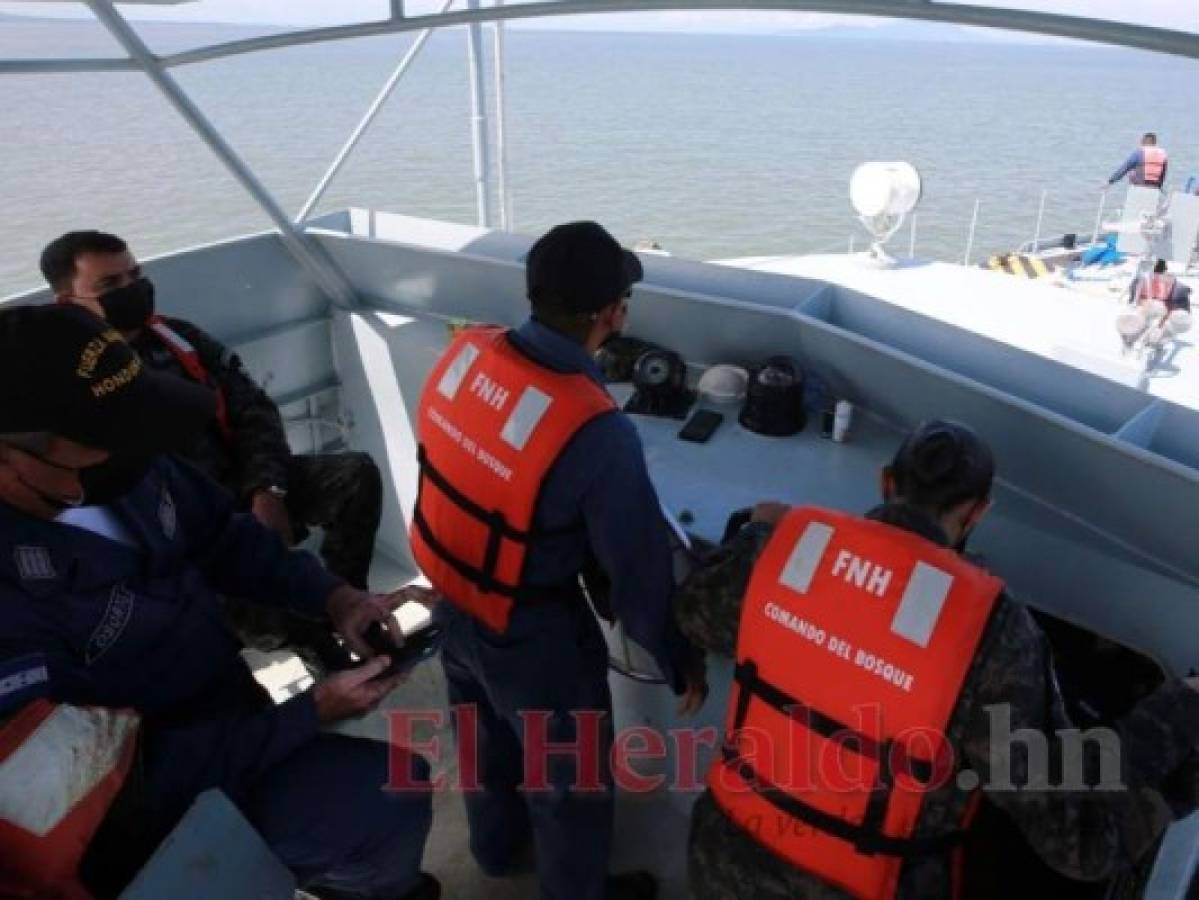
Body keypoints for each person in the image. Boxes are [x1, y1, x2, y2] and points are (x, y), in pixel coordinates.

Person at [0, 304, 438, 899]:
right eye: (106, 443)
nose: (134, 452)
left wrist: (334, 597)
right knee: (388, 795)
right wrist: (306, 717)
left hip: (226, 704)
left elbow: (223, 537)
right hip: (135, 812)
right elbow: (97, 788)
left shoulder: (126, 465)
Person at [676, 420, 1199, 899]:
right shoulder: (994, 633)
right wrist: (1180, 709)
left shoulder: (788, 550)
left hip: (723, 863)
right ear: (978, 512)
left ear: (886, 483)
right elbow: (1078, 841)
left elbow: (693, 611)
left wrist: (760, 533)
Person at [411, 221, 707, 900]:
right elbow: (634, 569)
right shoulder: (596, 430)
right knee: (567, 781)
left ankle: (493, 849)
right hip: (532, 634)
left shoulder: (466, 351)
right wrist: (673, 656)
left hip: (450, 598)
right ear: (613, 315)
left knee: (483, 743)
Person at [41, 229, 384, 671]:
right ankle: (311, 639)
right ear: (69, 304)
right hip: (173, 527)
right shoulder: (60, 382)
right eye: (110, 286)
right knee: (233, 596)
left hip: (241, 481)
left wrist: (269, 491)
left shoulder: (178, 340)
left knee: (354, 476)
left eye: (135, 275)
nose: (132, 290)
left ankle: (343, 601)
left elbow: (253, 411)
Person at [1118, 258, 1193, 352]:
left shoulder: (1176, 289)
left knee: (1161, 324)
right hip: (1154, 307)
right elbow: (1134, 302)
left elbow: (1180, 311)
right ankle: (1136, 341)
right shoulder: (1140, 282)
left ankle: (1154, 341)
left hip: (1165, 309)